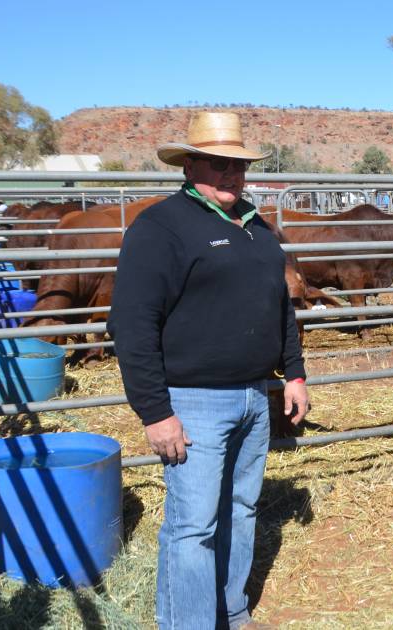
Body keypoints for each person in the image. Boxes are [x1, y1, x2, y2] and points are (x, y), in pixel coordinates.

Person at [108, 111, 310, 630]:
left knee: (241, 511)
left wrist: (294, 374)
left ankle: (231, 610)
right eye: (217, 163)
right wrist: (156, 412)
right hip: (193, 402)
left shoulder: (256, 228)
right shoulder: (160, 228)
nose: (230, 173)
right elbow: (132, 325)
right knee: (193, 525)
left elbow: (281, 307)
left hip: (252, 396)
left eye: (237, 164)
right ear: (189, 164)